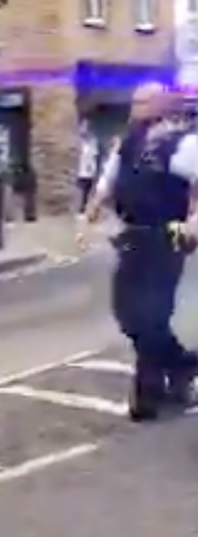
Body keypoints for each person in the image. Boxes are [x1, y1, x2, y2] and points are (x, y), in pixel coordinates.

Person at [80, 82, 198, 421]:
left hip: (167, 235)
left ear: (162, 104)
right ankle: (183, 364)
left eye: (143, 101)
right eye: (134, 100)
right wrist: (90, 212)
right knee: (126, 313)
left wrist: (193, 220)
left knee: (152, 313)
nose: (135, 106)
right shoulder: (128, 141)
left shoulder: (184, 142)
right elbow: (109, 179)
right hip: (132, 234)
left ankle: (147, 398)